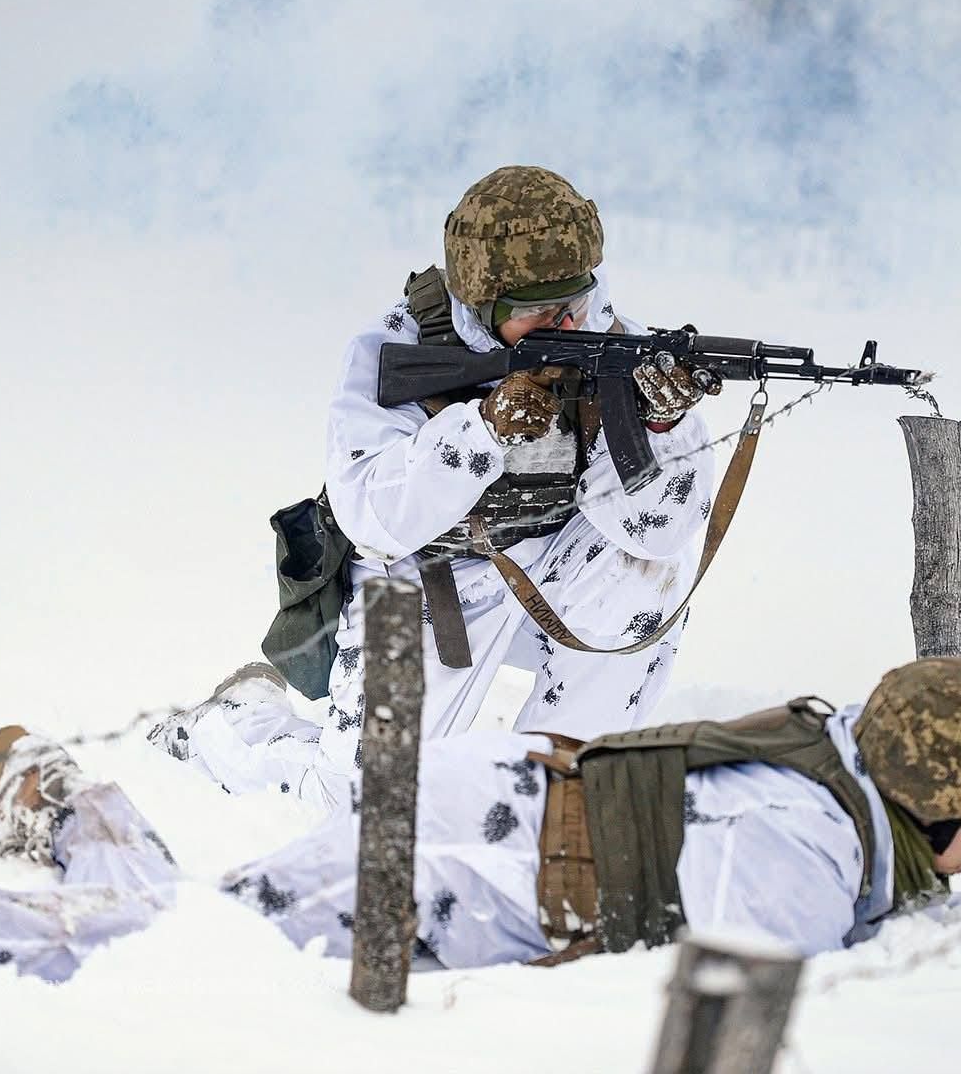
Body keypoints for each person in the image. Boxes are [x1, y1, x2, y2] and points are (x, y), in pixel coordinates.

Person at [0, 657, 961, 1004]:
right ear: (925, 791)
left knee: (197, 921)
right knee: (167, 953)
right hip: (441, 885)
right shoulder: (807, 851)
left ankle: (52, 794)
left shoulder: (826, 758)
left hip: (477, 814)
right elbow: (731, 988)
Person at [164, 165, 719, 811]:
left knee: (647, 573)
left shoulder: (611, 342)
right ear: (481, 300)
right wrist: (482, 431)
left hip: (554, 570)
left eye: (574, 301)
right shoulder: (397, 345)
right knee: (367, 806)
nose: (565, 325)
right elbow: (372, 516)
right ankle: (228, 724)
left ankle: (555, 787)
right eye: (534, 312)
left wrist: (660, 424)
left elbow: (660, 534)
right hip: (420, 583)